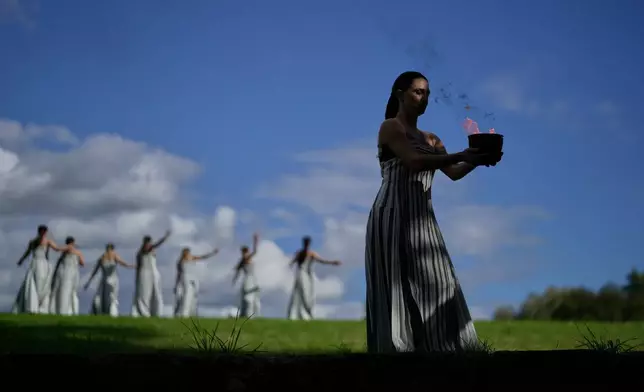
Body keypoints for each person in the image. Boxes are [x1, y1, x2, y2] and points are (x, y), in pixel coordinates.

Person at [365, 71, 503, 353]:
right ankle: (400, 352)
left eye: (427, 93)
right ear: (400, 94)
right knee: (397, 286)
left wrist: (476, 160)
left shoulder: (432, 139)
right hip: (392, 214)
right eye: (418, 92)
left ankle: (446, 350)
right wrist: (461, 154)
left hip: (423, 219)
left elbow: (452, 172)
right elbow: (414, 161)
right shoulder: (390, 127)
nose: (424, 98)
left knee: (440, 281)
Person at [12, 225, 70, 314]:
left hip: (39, 263)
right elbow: (57, 249)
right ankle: (35, 306)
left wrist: (21, 260)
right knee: (38, 284)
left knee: (39, 284)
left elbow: (28, 253)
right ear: (44, 232)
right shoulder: (40, 241)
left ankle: (36, 305)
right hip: (39, 263)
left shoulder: (40, 241)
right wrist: (68, 247)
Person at [287, 236, 341, 320]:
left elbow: (322, 261)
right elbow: (293, 261)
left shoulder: (311, 253)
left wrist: (332, 262)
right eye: (305, 243)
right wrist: (290, 265)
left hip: (308, 275)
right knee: (300, 292)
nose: (306, 244)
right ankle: (298, 313)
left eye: (307, 243)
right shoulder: (299, 253)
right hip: (301, 273)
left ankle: (306, 313)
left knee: (308, 293)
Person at [84, 243, 134, 317]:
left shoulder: (103, 257)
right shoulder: (111, 256)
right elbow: (124, 264)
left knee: (107, 297)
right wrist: (133, 266)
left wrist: (88, 282)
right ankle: (110, 313)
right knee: (108, 297)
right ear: (112, 248)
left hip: (107, 280)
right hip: (110, 280)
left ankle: (109, 312)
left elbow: (95, 271)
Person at [131, 230, 171, 317]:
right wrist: (164, 238)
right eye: (148, 242)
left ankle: (156, 312)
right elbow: (138, 266)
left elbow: (155, 246)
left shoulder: (151, 250)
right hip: (144, 273)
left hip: (153, 272)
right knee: (144, 293)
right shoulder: (141, 251)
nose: (149, 244)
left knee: (156, 292)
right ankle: (144, 312)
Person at [174, 246, 219, 317]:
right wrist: (176, 284)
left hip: (192, 278)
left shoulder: (192, 258)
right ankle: (183, 313)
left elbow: (203, 257)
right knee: (186, 295)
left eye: (188, 252)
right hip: (184, 277)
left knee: (193, 296)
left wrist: (212, 253)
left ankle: (190, 313)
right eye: (186, 252)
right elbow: (178, 274)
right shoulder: (180, 261)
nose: (188, 254)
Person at [49, 236, 85, 315]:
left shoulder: (68, 248)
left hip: (66, 271)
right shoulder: (78, 252)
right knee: (71, 291)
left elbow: (58, 249)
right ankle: (70, 309)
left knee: (61, 289)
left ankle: (60, 309)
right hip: (74, 272)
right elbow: (82, 263)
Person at [232, 233, 260, 318]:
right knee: (247, 297)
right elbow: (237, 272)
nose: (245, 254)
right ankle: (247, 314)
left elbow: (255, 251)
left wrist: (255, 241)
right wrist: (234, 279)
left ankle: (252, 314)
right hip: (248, 280)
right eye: (243, 252)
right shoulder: (243, 260)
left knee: (254, 297)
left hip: (253, 279)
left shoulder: (248, 258)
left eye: (246, 252)